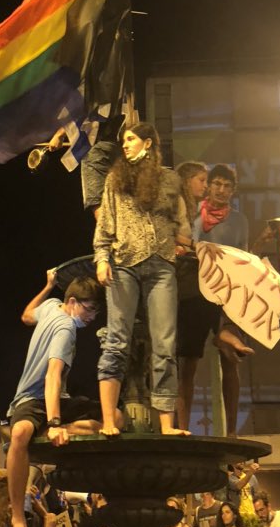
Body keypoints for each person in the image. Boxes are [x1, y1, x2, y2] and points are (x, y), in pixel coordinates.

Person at [94, 122, 191, 436]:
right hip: (124, 264)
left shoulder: (170, 179)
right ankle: (109, 421)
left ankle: (166, 424)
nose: (126, 144)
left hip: (161, 266)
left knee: (164, 344)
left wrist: (182, 243)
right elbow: (105, 224)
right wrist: (101, 258)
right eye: (124, 140)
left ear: (148, 143)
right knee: (116, 342)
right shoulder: (115, 179)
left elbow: (182, 222)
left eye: (131, 139)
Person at [6, 269, 112, 527]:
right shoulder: (66, 328)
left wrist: (48, 286)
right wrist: (54, 422)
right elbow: (52, 376)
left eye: (97, 311)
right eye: (89, 309)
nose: (91, 317)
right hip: (35, 398)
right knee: (20, 432)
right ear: (74, 302)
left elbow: (27, 315)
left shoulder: (52, 305)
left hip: (58, 399)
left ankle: (59, 428)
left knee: (113, 419)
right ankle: (18, 519)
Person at [190, 164, 254, 435]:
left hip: (228, 292)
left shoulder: (240, 221)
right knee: (188, 359)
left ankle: (231, 430)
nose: (221, 190)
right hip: (196, 290)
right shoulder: (194, 214)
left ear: (233, 190)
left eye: (227, 186)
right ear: (209, 186)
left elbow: (243, 255)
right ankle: (182, 427)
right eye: (216, 184)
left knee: (230, 359)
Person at [174, 161, 208, 431]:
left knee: (190, 362)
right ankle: (171, 423)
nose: (205, 187)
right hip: (180, 285)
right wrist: (194, 246)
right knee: (179, 361)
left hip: (194, 282)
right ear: (187, 180)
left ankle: (184, 424)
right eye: (202, 180)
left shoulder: (195, 212)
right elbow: (170, 232)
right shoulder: (176, 201)